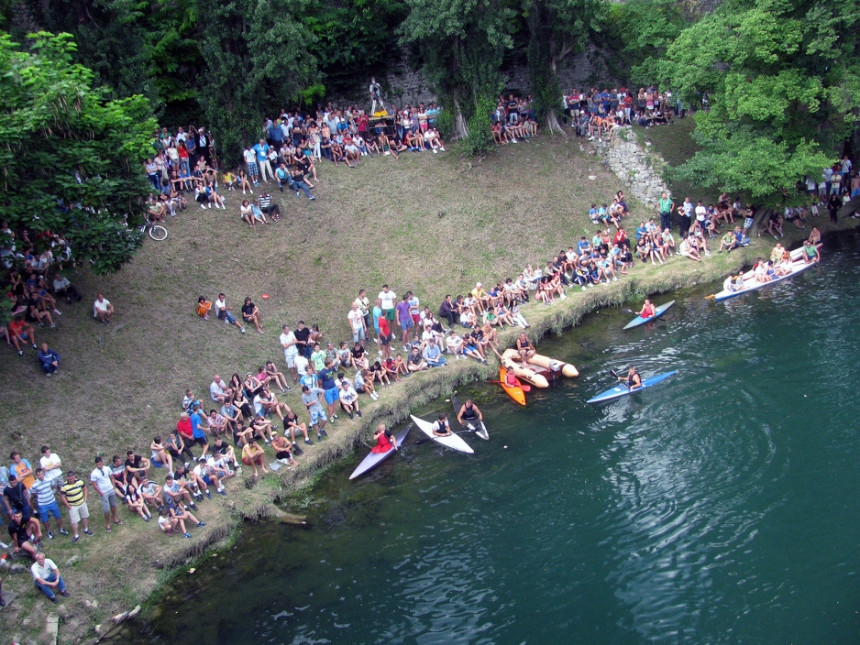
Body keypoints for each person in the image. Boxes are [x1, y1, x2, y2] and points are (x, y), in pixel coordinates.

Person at [31, 468, 66, 539]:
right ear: (36, 476)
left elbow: (53, 486)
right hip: (42, 504)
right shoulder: (34, 484)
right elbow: (34, 493)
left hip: (52, 501)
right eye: (39, 475)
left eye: (41, 474)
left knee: (58, 516)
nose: (40, 476)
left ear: (43, 474)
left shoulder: (49, 479)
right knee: (45, 519)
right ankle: (49, 531)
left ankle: (61, 528)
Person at [90, 456, 121, 533]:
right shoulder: (94, 473)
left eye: (100, 464)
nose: (99, 466)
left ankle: (115, 518)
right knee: (106, 509)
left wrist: (113, 487)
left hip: (110, 489)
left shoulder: (107, 468)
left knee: (113, 505)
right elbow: (94, 484)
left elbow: (112, 478)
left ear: (102, 462)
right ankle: (108, 524)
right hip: (104, 492)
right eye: (97, 464)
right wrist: (100, 492)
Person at [60, 470, 91, 541]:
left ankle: (86, 529)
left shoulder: (79, 482)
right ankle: (76, 535)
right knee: (74, 521)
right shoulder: (64, 486)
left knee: (84, 516)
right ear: (67, 478)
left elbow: (85, 488)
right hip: (73, 506)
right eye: (69, 478)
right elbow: (62, 496)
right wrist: (68, 505)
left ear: (74, 477)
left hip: (81, 503)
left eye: (72, 478)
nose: (71, 480)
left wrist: (85, 498)